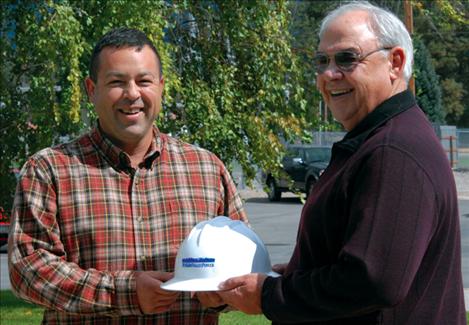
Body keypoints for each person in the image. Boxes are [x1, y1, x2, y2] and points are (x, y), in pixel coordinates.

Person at [215, 1, 466, 324]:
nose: (330, 75)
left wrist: (269, 295)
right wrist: (295, 276)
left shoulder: (393, 151)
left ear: (395, 62)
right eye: (322, 61)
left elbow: (373, 280)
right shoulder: (379, 139)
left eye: (347, 58)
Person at [8, 27, 247, 324]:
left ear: (160, 86)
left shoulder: (207, 169)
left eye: (144, 81)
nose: (132, 93)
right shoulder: (50, 170)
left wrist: (222, 293)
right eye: (117, 82)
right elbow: (28, 271)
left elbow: (242, 261)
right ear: (91, 90)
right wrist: (124, 293)